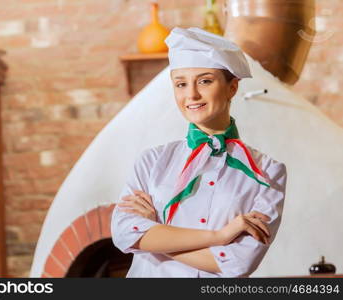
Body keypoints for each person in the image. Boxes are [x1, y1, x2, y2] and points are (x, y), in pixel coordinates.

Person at [110, 27, 287, 277]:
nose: (191, 94)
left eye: (205, 81)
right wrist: (219, 236)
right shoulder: (151, 161)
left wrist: (156, 235)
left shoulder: (267, 172)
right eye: (181, 84)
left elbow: (237, 264)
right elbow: (124, 234)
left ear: (232, 88)